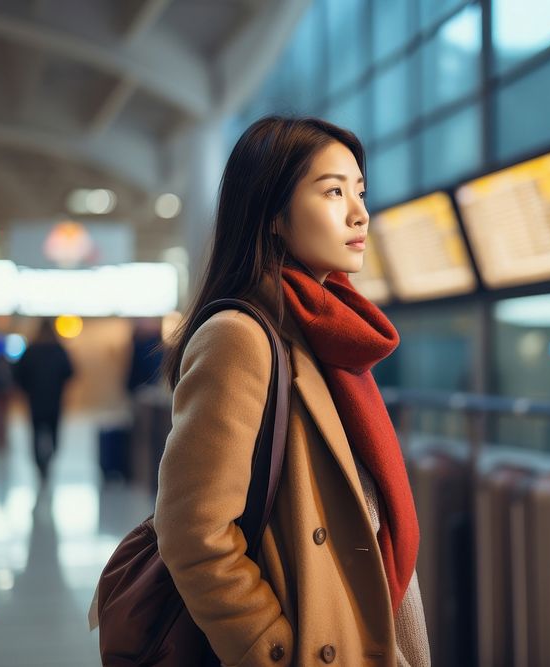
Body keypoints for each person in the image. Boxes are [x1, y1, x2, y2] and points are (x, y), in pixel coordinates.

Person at [153, 117, 431, 666]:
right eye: (332, 191)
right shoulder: (240, 335)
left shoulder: (325, 336)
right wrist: (275, 651)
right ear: (274, 215)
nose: (359, 212)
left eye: (360, 191)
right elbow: (193, 530)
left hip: (368, 626)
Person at [14, 319, 74, 481]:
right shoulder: (59, 350)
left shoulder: (31, 351)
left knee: (35, 431)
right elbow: (70, 372)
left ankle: (39, 463)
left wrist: (27, 390)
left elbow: (18, 375)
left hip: (36, 400)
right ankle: (50, 457)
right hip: (54, 400)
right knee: (54, 431)